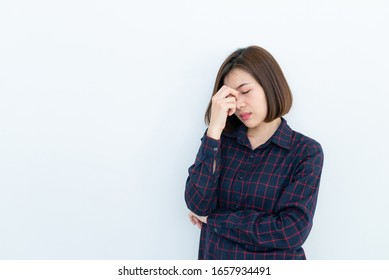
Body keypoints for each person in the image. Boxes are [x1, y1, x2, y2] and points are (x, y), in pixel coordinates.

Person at [184, 45, 324, 260]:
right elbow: (198, 204)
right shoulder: (219, 141)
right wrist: (214, 129)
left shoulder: (305, 151)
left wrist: (214, 220)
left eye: (246, 91)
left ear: (270, 85)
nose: (239, 104)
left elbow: (290, 232)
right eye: (230, 96)